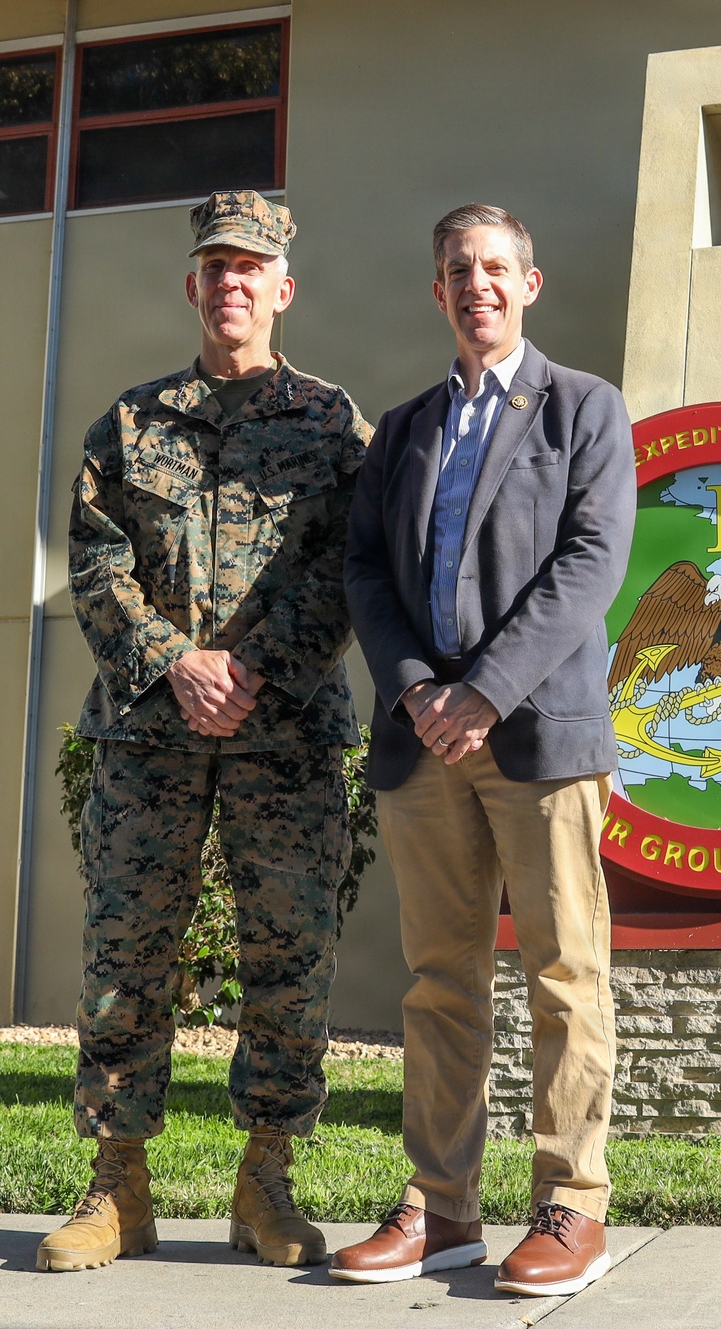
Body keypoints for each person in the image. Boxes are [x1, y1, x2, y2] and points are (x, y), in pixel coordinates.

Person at [37, 190, 372, 1274]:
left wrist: (256, 667)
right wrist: (176, 663)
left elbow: (351, 565)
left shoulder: (331, 424)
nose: (232, 284)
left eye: (252, 268)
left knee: (289, 954)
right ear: (194, 286)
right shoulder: (130, 424)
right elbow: (93, 564)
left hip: (286, 735)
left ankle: (265, 1183)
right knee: (124, 956)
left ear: (284, 290)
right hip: (150, 733)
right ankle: (115, 1187)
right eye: (214, 267)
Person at [335, 203, 635, 1297]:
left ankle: (570, 1203)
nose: (478, 286)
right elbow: (366, 570)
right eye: (459, 270)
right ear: (438, 292)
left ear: (530, 284)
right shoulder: (406, 428)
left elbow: (592, 563)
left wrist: (486, 692)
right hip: (424, 745)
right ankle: (443, 1205)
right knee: (438, 982)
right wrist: (420, 688)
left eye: (496, 268)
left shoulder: (584, 409)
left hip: (538, 737)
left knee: (564, 973)